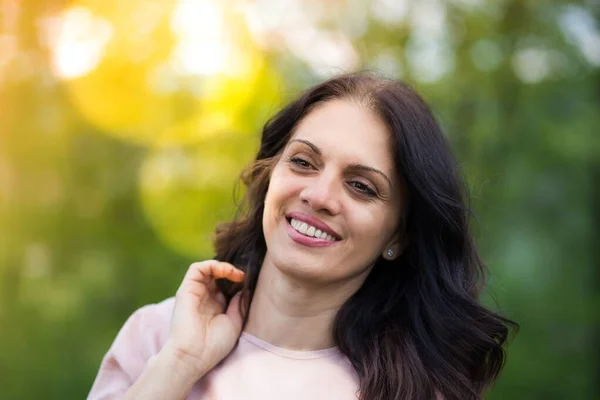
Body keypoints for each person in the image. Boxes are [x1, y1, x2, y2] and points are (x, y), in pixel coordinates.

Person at [88, 72, 517, 400]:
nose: (319, 195)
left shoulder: (416, 392)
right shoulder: (156, 336)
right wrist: (178, 365)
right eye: (304, 162)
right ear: (269, 175)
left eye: (361, 186)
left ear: (399, 237)